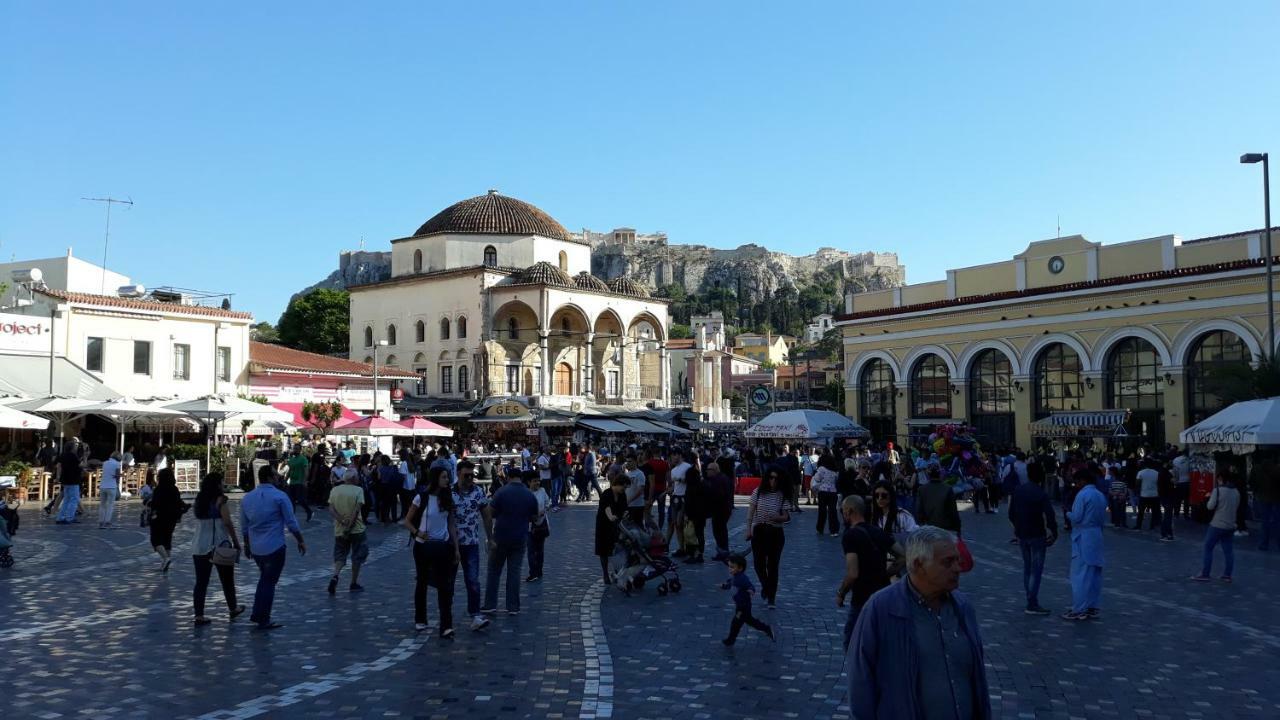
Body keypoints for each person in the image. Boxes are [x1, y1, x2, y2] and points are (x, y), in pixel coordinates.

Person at [848, 526, 992, 720]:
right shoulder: (880, 609)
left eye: (957, 560)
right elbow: (860, 685)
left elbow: (977, 679)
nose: (958, 568)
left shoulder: (963, 607)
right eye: (947, 562)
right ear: (918, 565)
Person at [240, 465, 307, 631]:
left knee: (264, 579)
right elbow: (291, 522)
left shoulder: (248, 498)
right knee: (269, 582)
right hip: (275, 546)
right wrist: (300, 540)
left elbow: (244, 525)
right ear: (270, 477)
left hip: (256, 548)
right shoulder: (280, 497)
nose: (278, 477)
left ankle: (258, 613)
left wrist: (247, 544)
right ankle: (263, 617)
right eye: (276, 475)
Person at [837, 495, 902, 650]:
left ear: (849, 511)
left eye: (843, 511)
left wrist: (841, 593)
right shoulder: (878, 532)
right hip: (882, 594)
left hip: (861, 597)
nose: (843, 514)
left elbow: (853, 573)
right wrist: (887, 573)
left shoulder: (850, 535)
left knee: (851, 643)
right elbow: (903, 555)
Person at [404, 468, 460, 638]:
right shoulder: (422, 497)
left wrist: (456, 547)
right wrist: (417, 533)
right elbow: (406, 521)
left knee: (445, 586)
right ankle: (420, 618)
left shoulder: (447, 498)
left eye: (447, 477)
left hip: (442, 546)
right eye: (443, 477)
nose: (447, 480)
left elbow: (451, 525)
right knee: (422, 581)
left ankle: (446, 625)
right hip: (423, 546)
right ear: (435, 478)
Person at [481, 467, 538, 615]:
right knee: (514, 572)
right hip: (520, 538)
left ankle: (490, 604)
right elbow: (534, 517)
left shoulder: (501, 492)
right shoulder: (529, 494)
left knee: (494, 571)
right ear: (521, 478)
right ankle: (513, 607)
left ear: (508, 477)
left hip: (500, 536)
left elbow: (490, 514)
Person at [191, 473, 245, 626]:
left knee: (201, 582)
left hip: (200, 545)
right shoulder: (220, 501)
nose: (223, 484)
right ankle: (233, 608)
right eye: (221, 481)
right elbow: (227, 522)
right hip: (219, 545)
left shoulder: (199, 500)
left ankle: (199, 615)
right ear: (217, 484)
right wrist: (236, 542)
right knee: (227, 579)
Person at [1008, 471, 1058, 615]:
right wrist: (1053, 532)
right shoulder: (1041, 494)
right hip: (1037, 534)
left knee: (1027, 568)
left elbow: (1011, 513)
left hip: (1023, 533)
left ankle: (1030, 599)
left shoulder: (1018, 491)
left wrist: (1017, 529)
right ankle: (1032, 602)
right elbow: (1050, 514)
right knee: (1036, 570)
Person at [452, 460, 493, 631]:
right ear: (458, 473)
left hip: (471, 543)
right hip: (450, 543)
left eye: (471, 475)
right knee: (448, 582)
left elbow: (486, 516)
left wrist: (490, 538)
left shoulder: (478, 492)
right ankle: (446, 616)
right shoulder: (449, 492)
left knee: (473, 580)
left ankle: (475, 615)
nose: (470, 478)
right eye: (466, 475)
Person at [1063, 469, 1106, 621]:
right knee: (1094, 574)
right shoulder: (1100, 495)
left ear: (1082, 481)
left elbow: (1077, 518)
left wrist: (1067, 513)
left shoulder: (1082, 495)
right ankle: (1092, 606)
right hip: (1097, 534)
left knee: (1080, 575)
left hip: (1084, 535)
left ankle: (1079, 608)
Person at [745, 469, 790, 609]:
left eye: (776, 478)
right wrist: (748, 530)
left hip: (775, 532)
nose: (773, 481)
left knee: (772, 566)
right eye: (771, 478)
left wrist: (778, 517)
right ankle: (766, 587)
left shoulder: (782, 495)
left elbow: (787, 517)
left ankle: (772, 597)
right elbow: (750, 513)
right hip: (759, 531)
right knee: (758, 564)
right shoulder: (757, 492)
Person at [1192, 469, 1241, 583]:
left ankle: (1205, 573)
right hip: (1230, 525)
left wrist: (1209, 497)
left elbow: (1210, 506)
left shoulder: (1218, 490)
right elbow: (1236, 507)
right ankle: (1227, 575)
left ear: (1220, 479)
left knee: (1208, 548)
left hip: (1217, 524)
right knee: (1228, 551)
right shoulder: (1236, 492)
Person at [327, 463, 368, 594]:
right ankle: (353, 582)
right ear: (354, 478)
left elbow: (331, 509)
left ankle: (335, 575)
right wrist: (349, 526)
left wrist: (341, 522)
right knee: (357, 556)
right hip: (357, 529)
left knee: (340, 555)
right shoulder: (358, 490)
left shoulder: (335, 490)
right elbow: (356, 511)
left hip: (339, 529)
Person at [719, 553, 774, 646]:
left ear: (740, 568)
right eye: (729, 567)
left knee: (736, 622)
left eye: (732, 567)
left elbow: (750, 585)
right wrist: (724, 586)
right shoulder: (735, 576)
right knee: (749, 621)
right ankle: (767, 629)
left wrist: (751, 590)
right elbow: (731, 584)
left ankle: (730, 640)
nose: (730, 569)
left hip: (743, 606)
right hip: (740, 604)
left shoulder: (742, 578)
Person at [150, 460, 188, 572]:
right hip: (172, 518)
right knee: (167, 539)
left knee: (156, 540)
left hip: (160, 517)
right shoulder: (174, 489)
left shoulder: (159, 489)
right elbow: (178, 502)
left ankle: (165, 558)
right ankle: (167, 561)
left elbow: (155, 503)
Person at [594, 471, 630, 584]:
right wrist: (610, 516)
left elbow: (625, 507)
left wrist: (625, 514)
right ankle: (605, 574)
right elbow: (606, 508)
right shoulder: (607, 494)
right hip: (604, 525)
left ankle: (617, 572)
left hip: (617, 525)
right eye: (623, 487)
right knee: (603, 550)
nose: (624, 490)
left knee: (617, 549)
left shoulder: (622, 495)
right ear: (618, 484)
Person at [914, 465, 961, 534]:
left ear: (928, 475)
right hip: (945, 526)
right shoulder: (947, 489)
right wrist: (957, 527)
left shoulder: (922, 489)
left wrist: (921, 525)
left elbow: (919, 510)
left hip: (929, 526)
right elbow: (953, 511)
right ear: (940, 474)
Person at [704, 459, 735, 562]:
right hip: (724, 509)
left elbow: (718, 495)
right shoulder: (723, 478)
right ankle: (723, 550)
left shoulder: (718, 480)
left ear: (715, 470)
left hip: (720, 510)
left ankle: (722, 551)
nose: (707, 471)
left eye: (708, 469)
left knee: (719, 531)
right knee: (721, 530)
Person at [871, 480, 918, 546]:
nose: (880, 498)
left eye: (884, 495)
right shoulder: (875, 516)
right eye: (876, 495)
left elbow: (915, 535)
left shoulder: (903, 515)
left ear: (891, 495)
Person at [526, 472, 551, 583]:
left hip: (541, 525)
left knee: (540, 550)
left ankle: (539, 570)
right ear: (529, 482)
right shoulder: (525, 494)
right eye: (534, 481)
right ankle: (533, 573)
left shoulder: (542, 491)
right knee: (531, 550)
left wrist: (543, 511)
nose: (537, 483)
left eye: (538, 480)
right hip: (529, 526)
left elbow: (548, 503)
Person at [53, 439, 84, 524]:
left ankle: (60, 517)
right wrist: (85, 458)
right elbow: (80, 466)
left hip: (65, 480)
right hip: (73, 480)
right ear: (72, 448)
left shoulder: (63, 455)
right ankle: (69, 517)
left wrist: (58, 477)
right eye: (75, 446)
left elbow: (58, 466)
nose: (76, 447)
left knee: (66, 499)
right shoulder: (73, 456)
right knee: (73, 499)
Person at [812, 453, 840, 536]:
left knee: (822, 511)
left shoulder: (821, 469)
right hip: (833, 492)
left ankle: (820, 528)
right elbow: (836, 480)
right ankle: (834, 530)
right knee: (832, 511)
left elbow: (817, 478)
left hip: (823, 492)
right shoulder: (835, 470)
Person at [285, 447, 313, 522]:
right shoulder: (292, 460)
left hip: (299, 482)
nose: (295, 450)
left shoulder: (303, 459)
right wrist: (285, 479)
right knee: (291, 501)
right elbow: (290, 470)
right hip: (292, 483)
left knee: (300, 500)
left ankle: (308, 511)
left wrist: (304, 481)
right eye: (294, 449)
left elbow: (306, 470)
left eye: (297, 449)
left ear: (300, 450)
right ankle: (292, 517)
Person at [1135, 459, 1161, 531]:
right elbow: (1159, 484)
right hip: (1154, 494)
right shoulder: (1156, 473)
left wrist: (1138, 492)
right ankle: (1152, 525)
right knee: (1154, 511)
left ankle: (1138, 526)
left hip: (1144, 494)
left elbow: (1137, 484)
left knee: (1141, 512)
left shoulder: (1140, 473)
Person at [98, 451, 123, 529]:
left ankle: (101, 522)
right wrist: (120, 476)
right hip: (111, 486)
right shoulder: (117, 464)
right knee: (110, 505)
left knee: (102, 505)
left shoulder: (105, 463)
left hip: (103, 486)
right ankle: (107, 522)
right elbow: (117, 475)